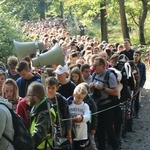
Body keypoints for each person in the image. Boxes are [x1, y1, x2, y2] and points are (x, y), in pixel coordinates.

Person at [89, 57, 119, 150]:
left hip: (108, 105)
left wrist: (102, 88)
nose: (94, 67)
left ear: (102, 66)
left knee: (108, 128)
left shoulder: (110, 75)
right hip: (98, 104)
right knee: (99, 128)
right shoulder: (94, 75)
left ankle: (115, 146)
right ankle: (102, 147)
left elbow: (115, 92)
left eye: (95, 65)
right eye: (93, 65)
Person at [27, 82, 54, 149]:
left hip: (44, 147)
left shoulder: (45, 112)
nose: (27, 98)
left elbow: (38, 135)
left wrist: (23, 142)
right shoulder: (37, 106)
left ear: (35, 98)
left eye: (29, 95)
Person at [45, 77, 72, 143]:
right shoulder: (43, 100)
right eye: (48, 88)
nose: (50, 90)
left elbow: (67, 117)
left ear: (57, 88)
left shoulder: (61, 100)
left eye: (53, 88)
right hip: (47, 133)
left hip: (60, 132)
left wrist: (69, 135)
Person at [69, 83, 90, 150]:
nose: (79, 100)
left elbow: (88, 116)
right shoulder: (69, 105)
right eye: (78, 97)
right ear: (73, 94)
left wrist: (82, 117)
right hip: (72, 133)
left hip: (82, 135)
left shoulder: (85, 106)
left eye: (81, 98)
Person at [133, 50, 146, 118]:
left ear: (140, 56)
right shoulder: (130, 64)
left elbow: (143, 77)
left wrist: (141, 86)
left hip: (138, 85)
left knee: (137, 100)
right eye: (135, 55)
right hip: (131, 85)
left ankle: (136, 113)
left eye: (137, 55)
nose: (136, 57)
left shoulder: (142, 66)